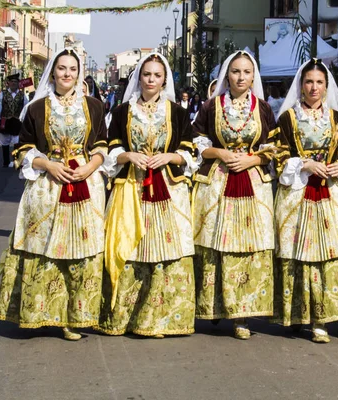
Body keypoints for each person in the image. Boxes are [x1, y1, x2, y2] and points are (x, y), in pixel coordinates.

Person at [0, 48, 108, 341]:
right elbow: (23, 148)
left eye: (72, 69)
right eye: (61, 68)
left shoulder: (94, 106)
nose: (67, 74)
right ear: (53, 73)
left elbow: (103, 146)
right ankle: (38, 312)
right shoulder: (36, 108)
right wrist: (47, 164)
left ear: (79, 73)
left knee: (81, 249)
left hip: (84, 183)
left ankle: (74, 317)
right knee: (44, 246)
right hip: (47, 185)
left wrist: (89, 168)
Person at [97, 53, 197, 337]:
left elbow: (189, 152)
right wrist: (128, 155)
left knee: (167, 250)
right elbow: (112, 147)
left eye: (156, 75)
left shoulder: (177, 112)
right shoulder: (121, 112)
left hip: (168, 189)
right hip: (131, 187)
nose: (151, 80)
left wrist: (168, 157)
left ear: (165, 79)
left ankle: (162, 318)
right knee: (131, 247)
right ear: (138, 77)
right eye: (146, 75)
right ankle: (124, 316)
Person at [192, 50, 278, 339]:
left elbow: (273, 148)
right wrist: (221, 153)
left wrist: (251, 160)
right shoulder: (211, 106)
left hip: (253, 183)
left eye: (246, 72)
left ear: (254, 76)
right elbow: (197, 142)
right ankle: (216, 306)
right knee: (217, 242)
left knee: (249, 245)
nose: (241, 77)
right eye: (235, 72)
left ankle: (243, 314)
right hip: (218, 180)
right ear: (226, 75)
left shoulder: (263, 108)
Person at [273, 58, 338, 343]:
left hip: (329, 194)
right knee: (297, 251)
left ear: (326, 86)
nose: (314, 87)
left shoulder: (337, 119)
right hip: (297, 193)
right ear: (301, 85)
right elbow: (279, 156)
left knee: (326, 252)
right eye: (309, 81)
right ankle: (296, 313)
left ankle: (321, 319)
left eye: (319, 82)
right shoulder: (288, 118)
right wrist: (305, 165)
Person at [0, 74, 29, 167]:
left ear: (18, 84)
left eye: (15, 82)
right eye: (12, 82)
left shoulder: (22, 95)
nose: (13, 84)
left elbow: (26, 107)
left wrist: (26, 121)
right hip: (6, 121)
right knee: (4, 141)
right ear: (8, 83)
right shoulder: (3, 94)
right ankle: (6, 161)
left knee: (17, 141)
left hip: (17, 121)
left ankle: (17, 161)